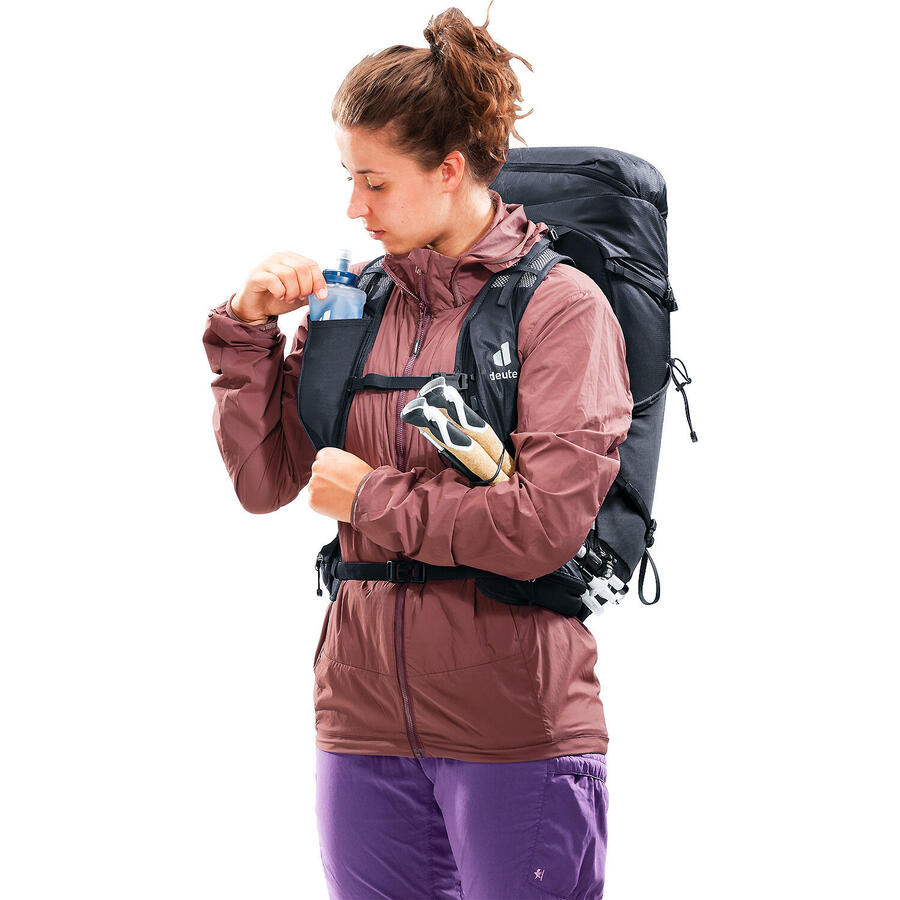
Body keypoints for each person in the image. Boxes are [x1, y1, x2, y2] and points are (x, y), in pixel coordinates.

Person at [203, 4, 632, 897]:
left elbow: (544, 526)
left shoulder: (561, 309)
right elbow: (266, 481)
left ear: (449, 169)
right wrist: (247, 334)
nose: (352, 207)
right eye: (348, 178)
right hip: (360, 722)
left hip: (514, 727)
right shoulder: (353, 304)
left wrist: (370, 501)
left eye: (374, 182)